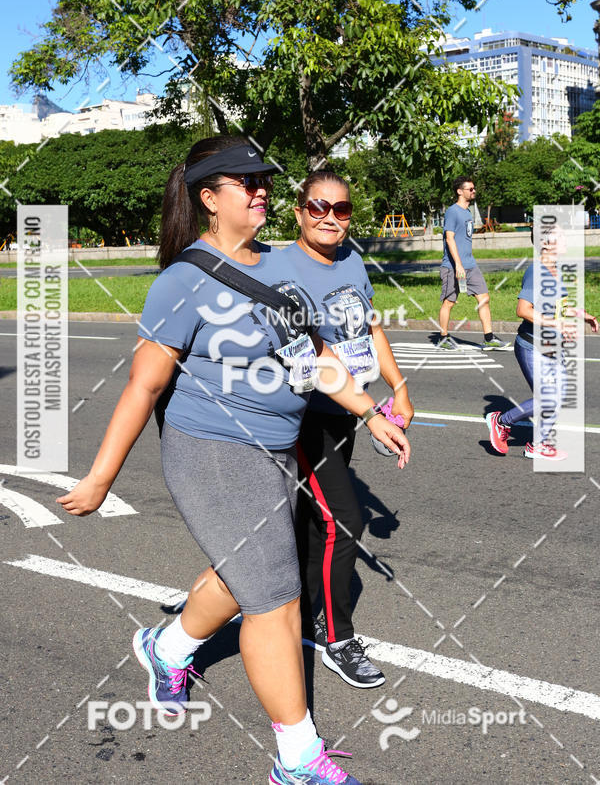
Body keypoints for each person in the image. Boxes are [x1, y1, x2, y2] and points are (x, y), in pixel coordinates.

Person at [56, 135, 410, 785]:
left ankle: (166, 648)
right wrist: (101, 477)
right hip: (213, 453)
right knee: (274, 598)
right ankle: (297, 759)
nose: (260, 190)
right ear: (208, 197)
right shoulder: (182, 282)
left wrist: (370, 411)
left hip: (274, 449)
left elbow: (315, 358)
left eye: (263, 180)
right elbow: (145, 385)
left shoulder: (278, 268)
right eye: (243, 181)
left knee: (240, 576)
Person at [284, 171, 414, 689]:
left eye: (341, 209)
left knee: (316, 520)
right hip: (305, 415)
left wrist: (397, 385)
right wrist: (371, 412)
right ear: (298, 212)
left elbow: (371, 325)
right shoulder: (279, 267)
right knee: (344, 518)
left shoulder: (352, 260)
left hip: (347, 413)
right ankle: (335, 636)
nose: (330, 217)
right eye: (318, 207)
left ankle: (292, 606)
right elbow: (313, 356)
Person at [486, 225, 597, 461]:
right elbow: (523, 310)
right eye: (561, 237)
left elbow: (560, 306)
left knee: (559, 396)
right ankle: (501, 421)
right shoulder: (537, 271)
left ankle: (538, 444)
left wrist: (582, 315)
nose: (566, 240)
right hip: (532, 346)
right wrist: (557, 325)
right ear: (546, 244)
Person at [438, 176, 510, 351]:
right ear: (459, 191)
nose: (474, 191)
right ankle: (443, 338)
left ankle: (489, 337)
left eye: (474, 188)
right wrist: (458, 265)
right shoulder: (452, 211)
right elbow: (449, 239)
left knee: (484, 298)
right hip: (452, 266)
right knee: (449, 302)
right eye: (470, 189)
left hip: (470, 264)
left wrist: (465, 263)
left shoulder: (468, 212)